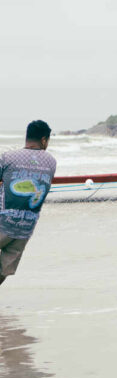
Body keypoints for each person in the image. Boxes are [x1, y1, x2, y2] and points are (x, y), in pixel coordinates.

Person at [0, 120, 57, 286]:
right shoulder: (51, 162)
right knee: (4, 269)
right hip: (25, 229)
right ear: (44, 140)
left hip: (2, 222)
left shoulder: (7, 157)